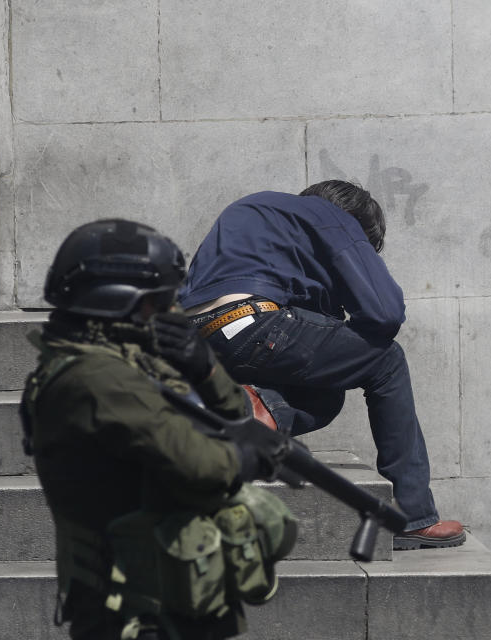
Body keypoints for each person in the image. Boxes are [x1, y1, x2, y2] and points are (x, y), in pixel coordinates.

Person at [22, 219, 296, 640]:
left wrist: (204, 368)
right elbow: (199, 463)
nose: (172, 311)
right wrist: (248, 456)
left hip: (173, 592)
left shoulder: (127, 362)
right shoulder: (98, 381)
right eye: (160, 301)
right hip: (131, 609)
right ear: (120, 302)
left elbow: (234, 416)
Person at [178, 180, 465, 550]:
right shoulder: (333, 218)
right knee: (386, 359)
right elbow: (385, 312)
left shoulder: (253, 211)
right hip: (255, 320)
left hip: (201, 341)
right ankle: (413, 515)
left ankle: (243, 411)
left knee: (325, 393)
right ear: (354, 223)